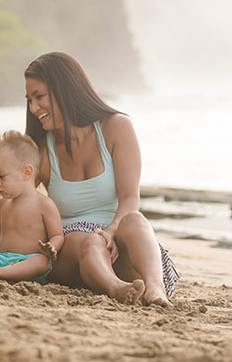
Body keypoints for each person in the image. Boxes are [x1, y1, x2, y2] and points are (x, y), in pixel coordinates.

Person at [23, 52, 179, 306]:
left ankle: (155, 289)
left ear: (65, 89)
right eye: (29, 100)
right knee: (84, 240)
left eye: (39, 97)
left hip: (118, 242)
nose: (33, 108)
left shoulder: (116, 127)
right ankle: (116, 289)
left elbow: (130, 199)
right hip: (73, 253)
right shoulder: (41, 150)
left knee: (135, 219)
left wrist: (112, 232)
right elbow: (17, 199)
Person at [0, 130, 66, 285]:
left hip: (27, 261)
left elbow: (57, 235)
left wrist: (52, 246)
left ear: (26, 173)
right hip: (1, 258)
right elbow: (3, 229)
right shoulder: (4, 202)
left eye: (1, 176)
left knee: (43, 262)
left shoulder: (44, 204)